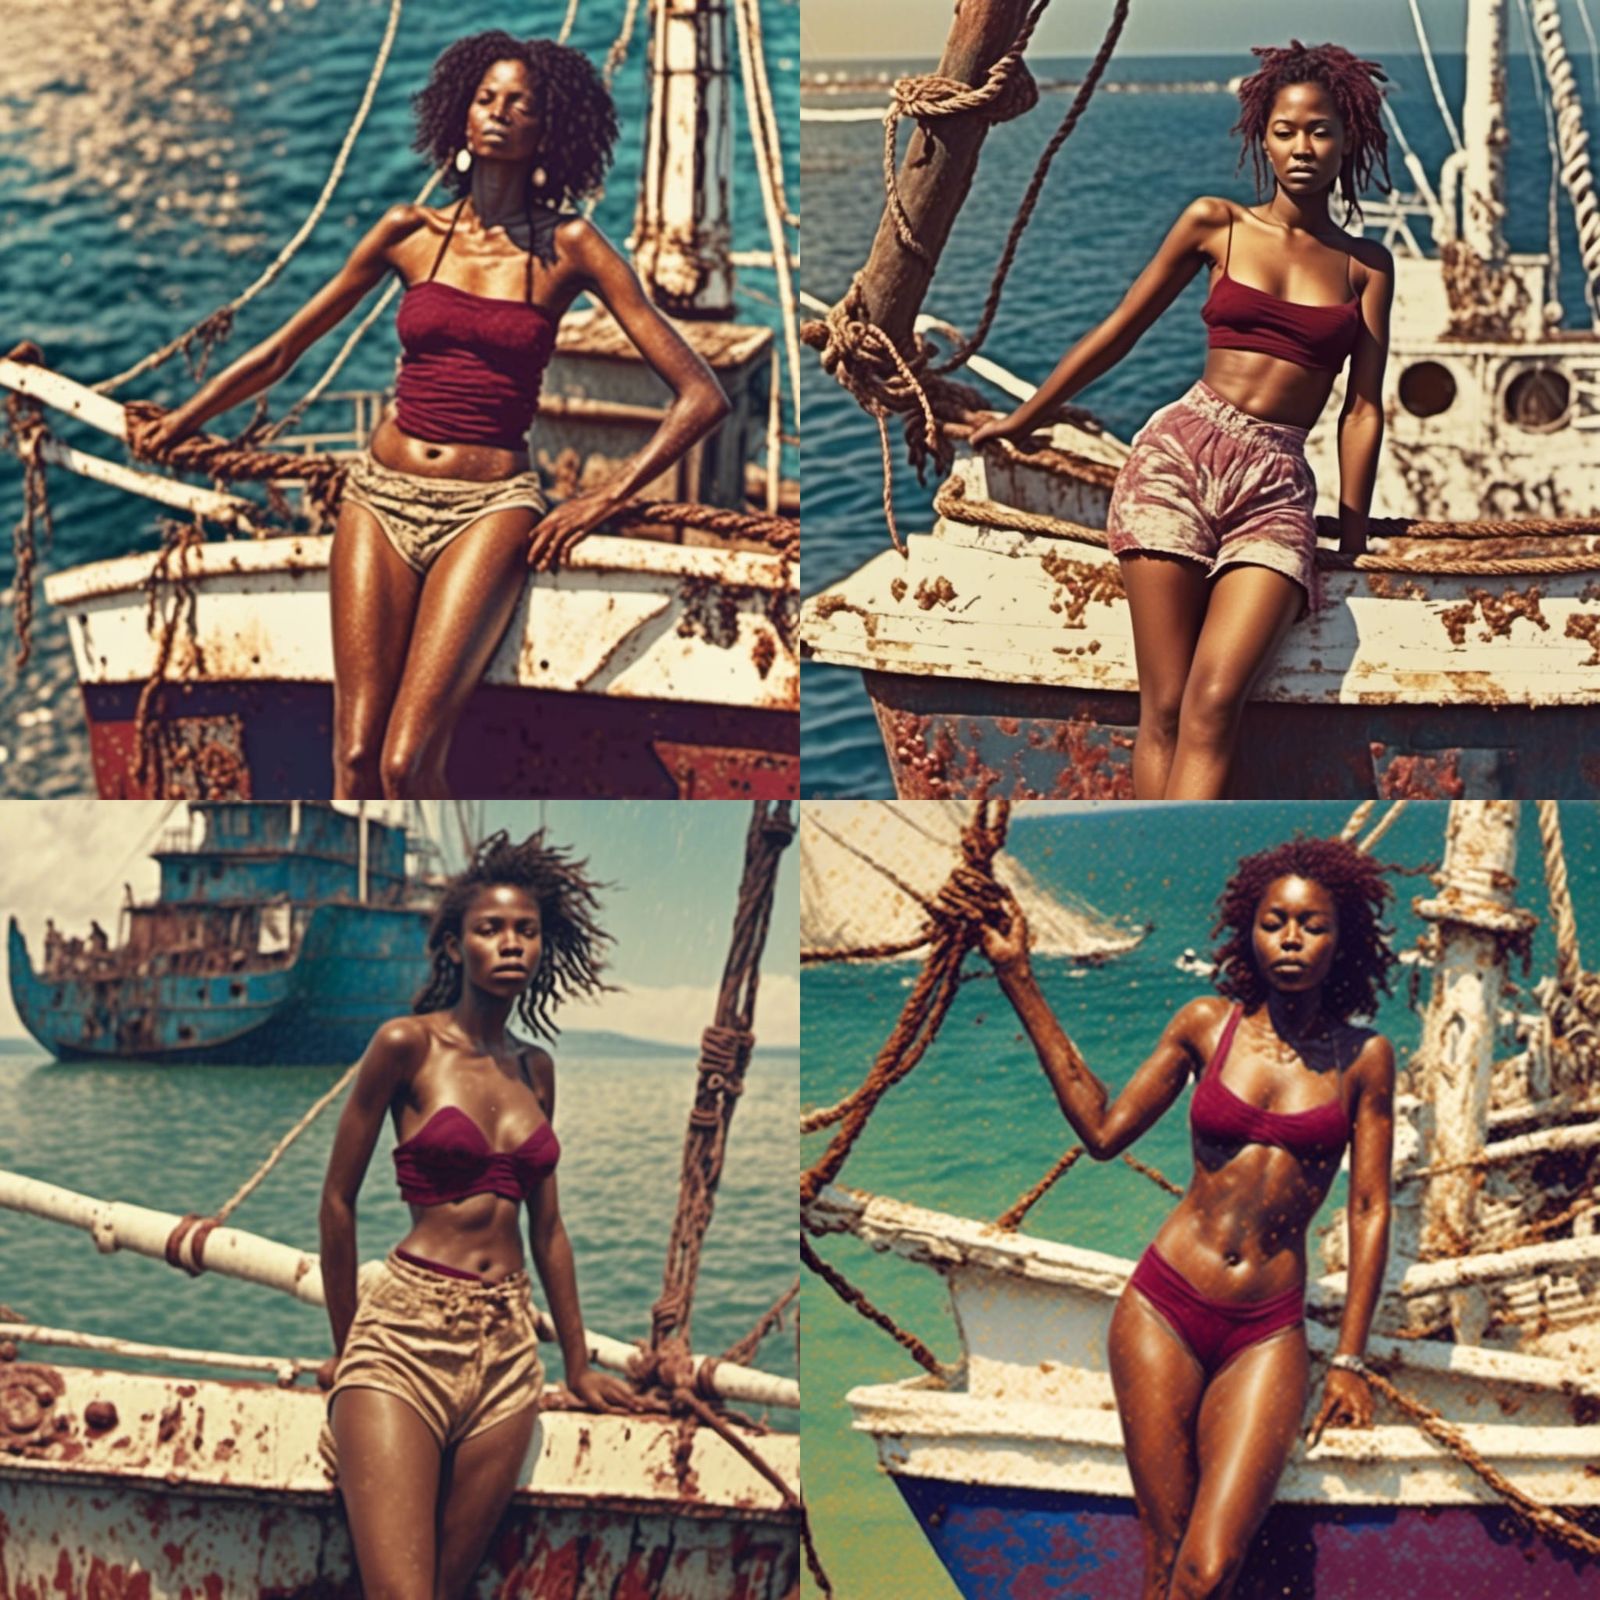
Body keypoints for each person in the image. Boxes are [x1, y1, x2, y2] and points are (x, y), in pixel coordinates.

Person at [128, 32, 731, 801]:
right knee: (352, 758)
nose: (498, 115)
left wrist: (603, 499)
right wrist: (177, 426)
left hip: (488, 510)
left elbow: (701, 394)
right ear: (460, 114)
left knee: (407, 765)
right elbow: (281, 351)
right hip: (377, 496)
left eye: (520, 104)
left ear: (551, 130)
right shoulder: (409, 234)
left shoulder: (570, 245)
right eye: (485, 99)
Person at [969, 42, 1395, 801]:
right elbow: (1119, 329)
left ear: (1349, 139)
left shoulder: (1367, 265)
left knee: (1215, 704)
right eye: (1286, 130)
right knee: (1163, 707)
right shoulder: (1216, 224)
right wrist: (1022, 418)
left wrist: (1353, 529)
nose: (1303, 147)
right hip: (1178, 460)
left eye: (1321, 131)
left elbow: (1362, 407)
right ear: (1261, 136)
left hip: (1276, 485)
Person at [980, 836, 1397, 1599]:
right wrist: (1018, 979)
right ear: (1250, 931)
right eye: (1276, 922)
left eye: (1313, 925)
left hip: (1266, 1328)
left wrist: (1350, 1359)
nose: (1293, 939)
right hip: (1163, 1309)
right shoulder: (1208, 1025)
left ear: (1346, 940)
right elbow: (1103, 1132)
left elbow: (1369, 1208)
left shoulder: (1364, 1059)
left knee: (1207, 1572)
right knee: (1164, 1556)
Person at [317, 829, 644, 1600]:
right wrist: (347, 1347)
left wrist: (577, 1364)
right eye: (490, 929)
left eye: (525, 931)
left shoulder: (536, 1068)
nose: (510, 945)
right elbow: (337, 1203)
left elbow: (549, 1231)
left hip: (506, 1354)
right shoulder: (406, 1045)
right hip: (402, 1336)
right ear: (455, 944)